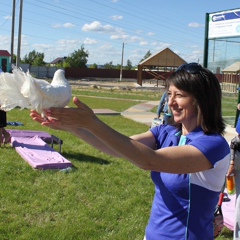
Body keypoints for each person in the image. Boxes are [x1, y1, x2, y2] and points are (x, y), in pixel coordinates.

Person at [30, 62, 230, 240]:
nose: (170, 102)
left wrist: (92, 122)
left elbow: (149, 161)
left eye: (179, 95)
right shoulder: (167, 133)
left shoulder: (212, 145)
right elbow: (116, 147)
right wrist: (73, 127)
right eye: (169, 94)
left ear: (200, 100)